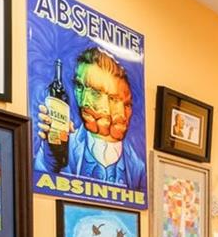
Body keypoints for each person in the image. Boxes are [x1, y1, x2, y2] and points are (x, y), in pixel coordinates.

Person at [36, 46, 146, 196]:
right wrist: (53, 151)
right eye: (80, 87)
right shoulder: (67, 145)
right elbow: (42, 178)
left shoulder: (137, 167)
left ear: (122, 105)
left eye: (95, 92)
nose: (84, 100)